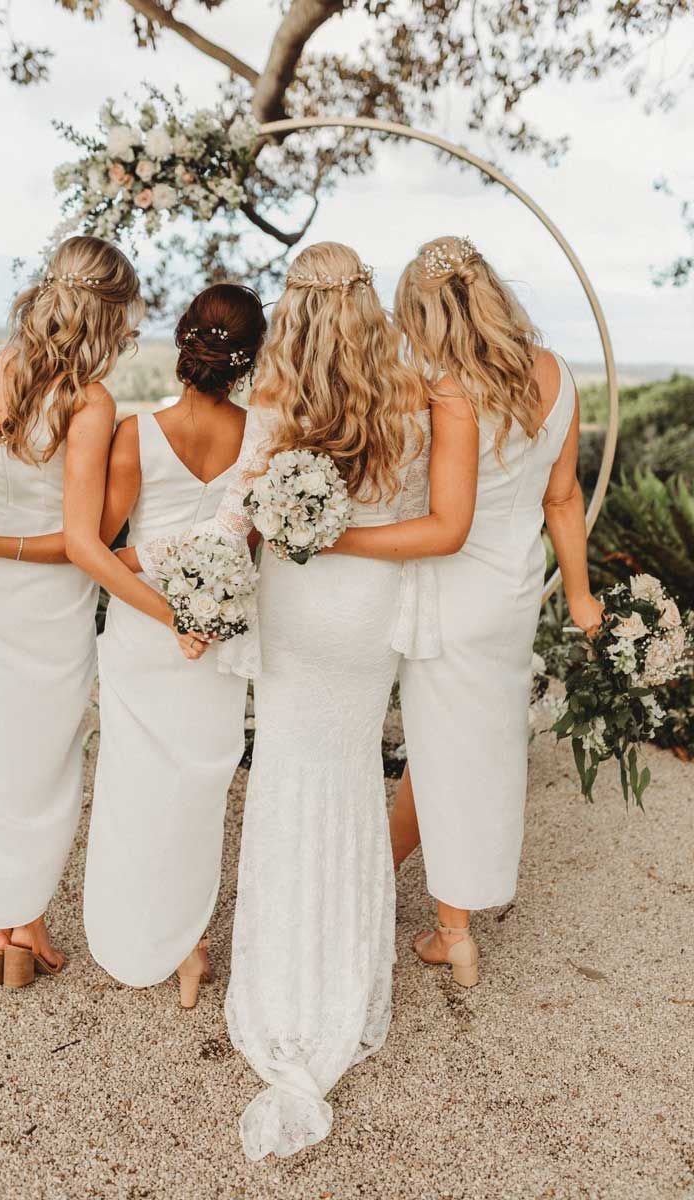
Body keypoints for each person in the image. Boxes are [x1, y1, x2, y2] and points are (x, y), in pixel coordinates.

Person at [136, 242, 436, 1159]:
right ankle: (344, 974)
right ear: (367, 303)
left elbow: (236, 514)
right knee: (347, 780)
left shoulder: (277, 398)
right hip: (365, 614)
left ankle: (285, 985)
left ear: (297, 313)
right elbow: (425, 520)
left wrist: (196, 599)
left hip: (301, 610)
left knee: (287, 785)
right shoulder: (409, 396)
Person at [326, 236, 603, 987]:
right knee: (461, 747)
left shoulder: (449, 390)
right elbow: (563, 498)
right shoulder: (559, 376)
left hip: (449, 593)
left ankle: (454, 931)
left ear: (427, 314)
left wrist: (334, 538)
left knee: (448, 750)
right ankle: (383, 877)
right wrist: (578, 596)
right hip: (513, 595)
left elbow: (441, 519)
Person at [0, 235, 156, 988]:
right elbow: (82, 544)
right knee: (39, 769)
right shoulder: (89, 402)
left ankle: (8, 930)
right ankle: (21, 924)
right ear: (109, 312)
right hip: (42, 607)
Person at [83, 284, 266, 1007]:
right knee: (199, 790)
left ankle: (138, 932)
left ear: (185, 339)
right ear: (248, 359)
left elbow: (98, 549)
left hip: (144, 630)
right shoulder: (260, 438)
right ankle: (191, 947)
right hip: (214, 637)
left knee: (135, 785)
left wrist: (161, 587)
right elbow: (245, 541)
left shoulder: (134, 436)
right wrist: (201, 583)